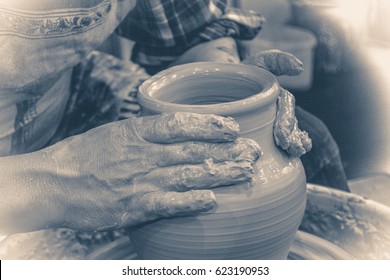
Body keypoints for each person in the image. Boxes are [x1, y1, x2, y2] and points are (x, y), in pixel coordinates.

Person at [0, 0, 339, 237]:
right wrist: (57, 184)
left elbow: (188, 32)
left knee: (309, 145)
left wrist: (223, 84)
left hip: (63, 97)